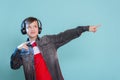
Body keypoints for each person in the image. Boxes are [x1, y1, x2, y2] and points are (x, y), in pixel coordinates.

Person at [10, 17, 100, 80]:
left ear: (39, 28)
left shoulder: (48, 41)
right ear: (24, 30)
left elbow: (65, 36)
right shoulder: (22, 50)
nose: (32, 29)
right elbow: (14, 66)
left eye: (35, 26)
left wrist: (85, 28)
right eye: (29, 27)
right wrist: (17, 50)